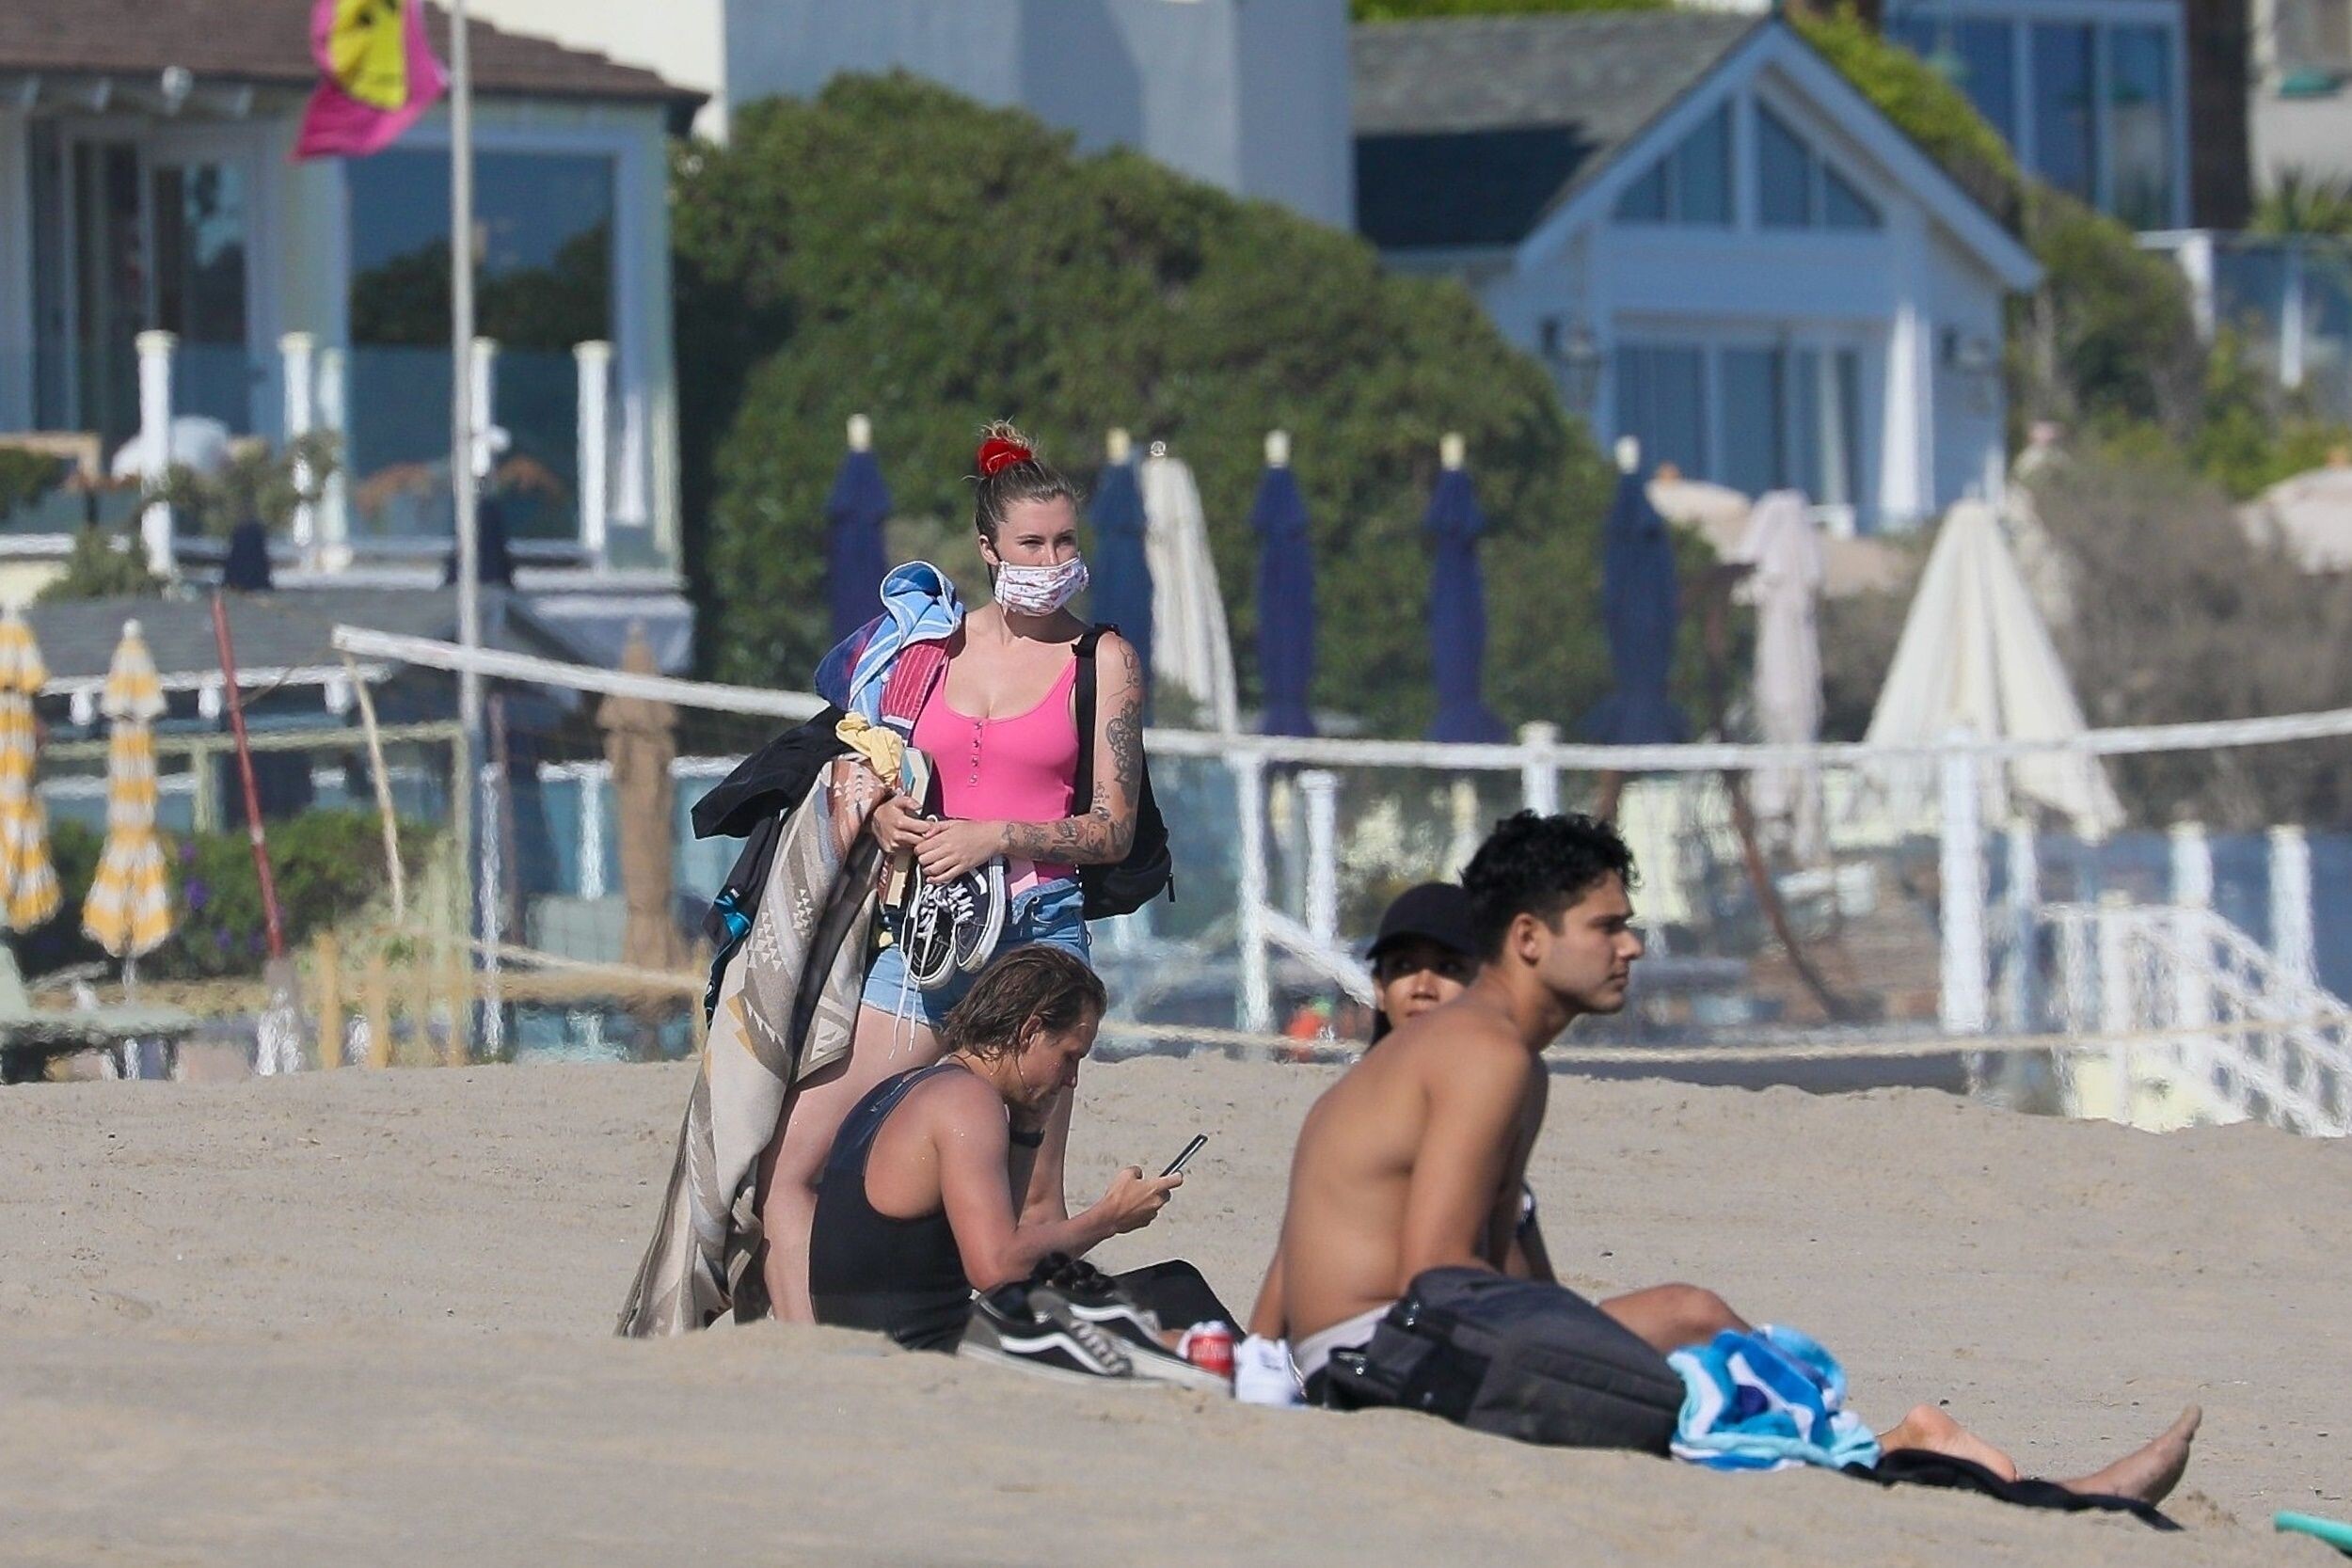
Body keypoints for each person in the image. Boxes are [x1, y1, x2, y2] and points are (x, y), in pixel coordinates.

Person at [1268, 811, 2201, 1504]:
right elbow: (1440, 1273)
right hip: (1382, 1363)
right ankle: (1955, 1471)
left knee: (1688, 1314)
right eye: (1607, 925)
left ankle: (1888, 1449)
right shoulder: (1485, 1054)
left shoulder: (1484, 1053)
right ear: (1528, 938)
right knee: (1689, 1368)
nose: (1632, 944)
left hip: (1394, 1343)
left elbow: (1489, 1275)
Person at [757, 422, 1147, 1323]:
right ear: (987, 548)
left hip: (1037, 938)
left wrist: (995, 835)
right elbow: (877, 764)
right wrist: (883, 813)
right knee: (793, 1163)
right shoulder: (926, 649)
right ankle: (806, 1355)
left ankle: (1024, 1357)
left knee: (1033, 1195)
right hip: (924, 930)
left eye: (1066, 542)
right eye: (1031, 543)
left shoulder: (1104, 660)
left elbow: (1114, 830)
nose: (1052, 561)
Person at [808, 945, 1228, 1386]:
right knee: (1176, 1295)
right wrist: (1109, 1219)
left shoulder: (911, 1087)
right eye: (1070, 1056)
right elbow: (995, 1269)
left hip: (880, 1342)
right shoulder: (967, 1103)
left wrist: (1027, 1128)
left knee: (1157, 1295)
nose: (1072, 1079)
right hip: (923, 1355)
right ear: (1029, 1031)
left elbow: (998, 1240)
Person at [1235, 881, 1553, 1404]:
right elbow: (1299, 1245)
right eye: (1404, 967)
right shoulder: (1365, 1104)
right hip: (1394, 1350)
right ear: (1380, 988)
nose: (1423, 986)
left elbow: (1531, 1278)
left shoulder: (1465, 1084)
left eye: (1448, 968)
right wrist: (1260, 1351)